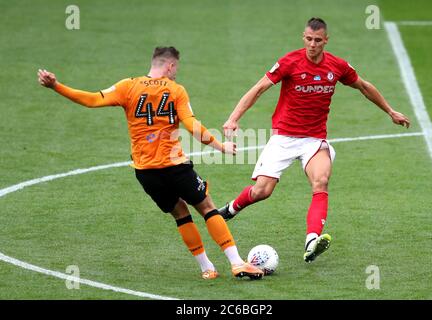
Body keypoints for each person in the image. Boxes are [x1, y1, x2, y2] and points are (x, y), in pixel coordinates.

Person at [37, 46, 264, 280]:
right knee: (207, 207)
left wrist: (56, 85)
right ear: (170, 66)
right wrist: (221, 146)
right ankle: (237, 263)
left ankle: (207, 268)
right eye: (176, 68)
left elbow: (91, 100)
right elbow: (192, 127)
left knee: (180, 214)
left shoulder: (128, 86)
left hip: (146, 172)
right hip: (175, 166)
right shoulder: (176, 90)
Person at [219, 18, 411, 263]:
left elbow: (363, 86)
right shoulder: (290, 62)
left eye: (317, 40)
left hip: (314, 139)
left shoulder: (337, 66)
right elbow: (259, 88)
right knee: (261, 191)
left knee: (320, 181)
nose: (312, 44)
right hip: (284, 138)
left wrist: (390, 111)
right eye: (308, 39)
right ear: (304, 37)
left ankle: (311, 242)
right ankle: (231, 209)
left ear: (326, 41)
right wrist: (233, 118)